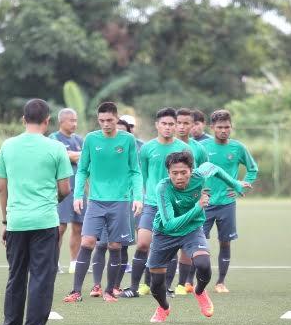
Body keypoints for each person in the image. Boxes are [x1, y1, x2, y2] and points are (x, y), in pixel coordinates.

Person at [0, 99, 72, 325]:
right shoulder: (56, 147)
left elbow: (0, 187)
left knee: (16, 277)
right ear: (48, 121)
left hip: (16, 222)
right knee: (41, 278)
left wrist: (6, 219)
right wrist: (53, 199)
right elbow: (64, 189)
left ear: (23, 119)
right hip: (45, 222)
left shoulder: (8, 146)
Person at [147, 152, 246, 322]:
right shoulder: (163, 188)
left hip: (192, 230)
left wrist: (235, 183)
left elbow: (214, 168)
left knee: (203, 264)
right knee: (155, 285)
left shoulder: (200, 176)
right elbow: (170, 224)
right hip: (165, 234)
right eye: (174, 173)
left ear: (191, 171)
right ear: (168, 173)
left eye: (183, 172)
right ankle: (164, 307)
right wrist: (198, 207)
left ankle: (199, 291)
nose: (179, 177)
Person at [64, 102, 141, 303]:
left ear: (116, 119)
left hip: (121, 201)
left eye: (109, 120)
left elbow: (135, 171)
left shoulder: (128, 140)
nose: (106, 124)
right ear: (98, 120)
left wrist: (138, 197)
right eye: (102, 120)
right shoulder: (91, 139)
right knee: (88, 242)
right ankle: (76, 292)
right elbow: (82, 169)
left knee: (115, 246)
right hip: (96, 201)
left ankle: (109, 291)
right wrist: (78, 195)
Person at [121, 107, 191, 299]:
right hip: (151, 203)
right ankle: (134, 287)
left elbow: (190, 177)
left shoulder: (184, 149)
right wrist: (139, 197)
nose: (168, 128)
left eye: (171, 124)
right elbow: (140, 176)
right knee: (143, 243)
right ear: (157, 125)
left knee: (171, 246)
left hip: (175, 205)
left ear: (176, 126)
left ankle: (165, 288)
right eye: (164, 124)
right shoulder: (147, 149)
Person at [200, 110, 257, 293]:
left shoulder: (238, 148)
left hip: (227, 203)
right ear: (212, 128)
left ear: (231, 127)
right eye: (219, 127)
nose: (224, 130)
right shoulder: (202, 147)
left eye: (227, 127)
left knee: (225, 242)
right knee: (198, 242)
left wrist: (239, 185)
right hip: (205, 203)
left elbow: (252, 169)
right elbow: (192, 170)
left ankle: (220, 282)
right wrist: (197, 191)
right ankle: (193, 282)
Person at [173, 107, 211, 295]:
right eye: (178, 122)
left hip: (191, 203)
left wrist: (204, 193)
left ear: (193, 125)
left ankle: (182, 284)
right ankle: (158, 283)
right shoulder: (166, 146)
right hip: (168, 202)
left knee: (187, 245)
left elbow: (205, 173)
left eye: (186, 123)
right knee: (165, 244)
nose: (181, 127)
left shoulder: (199, 149)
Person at [50, 108, 84, 274]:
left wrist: (74, 154)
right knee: (60, 227)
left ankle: (74, 263)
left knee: (78, 227)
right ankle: (53, 262)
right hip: (61, 191)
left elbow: (88, 157)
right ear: (61, 121)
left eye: (75, 120)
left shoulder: (80, 139)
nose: (74, 123)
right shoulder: (54, 139)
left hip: (80, 191)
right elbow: (63, 156)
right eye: (71, 120)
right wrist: (76, 155)